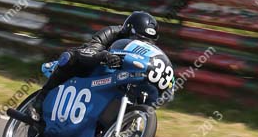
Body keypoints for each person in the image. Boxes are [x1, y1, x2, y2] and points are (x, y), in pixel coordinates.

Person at [27, 12, 159, 129]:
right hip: (95, 68)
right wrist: (105, 56)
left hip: (119, 78)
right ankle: (38, 102)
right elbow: (90, 50)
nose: (141, 44)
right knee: (70, 57)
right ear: (128, 30)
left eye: (147, 41)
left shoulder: (148, 51)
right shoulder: (111, 33)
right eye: (138, 38)